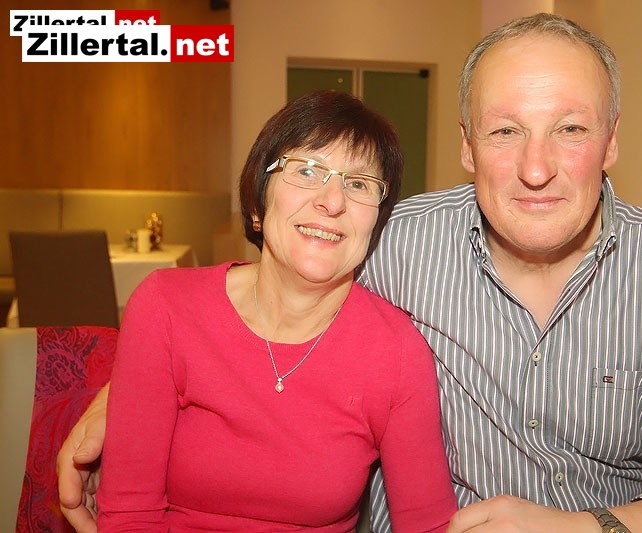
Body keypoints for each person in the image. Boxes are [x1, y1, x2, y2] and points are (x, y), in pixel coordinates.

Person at [59, 13, 642, 533]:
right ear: (467, 146)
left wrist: (589, 526)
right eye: (505, 130)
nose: (535, 167)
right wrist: (127, 395)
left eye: (569, 129)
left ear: (609, 142)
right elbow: (271, 305)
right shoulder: (392, 240)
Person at [89, 90, 457, 531]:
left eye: (359, 183)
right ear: (257, 202)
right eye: (307, 170)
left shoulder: (397, 353)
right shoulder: (165, 308)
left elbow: (427, 525)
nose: (333, 201)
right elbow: (130, 514)